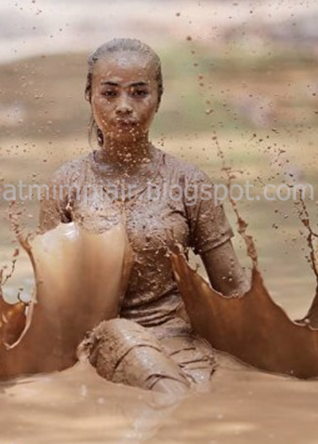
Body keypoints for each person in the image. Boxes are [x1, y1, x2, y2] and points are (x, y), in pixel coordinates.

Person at [39, 38, 251, 394]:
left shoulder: (188, 181)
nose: (124, 107)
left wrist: (289, 352)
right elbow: (51, 302)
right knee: (155, 377)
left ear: (158, 99)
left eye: (139, 93)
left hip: (181, 344)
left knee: (189, 394)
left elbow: (232, 288)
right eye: (110, 94)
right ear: (89, 96)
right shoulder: (65, 184)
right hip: (102, 344)